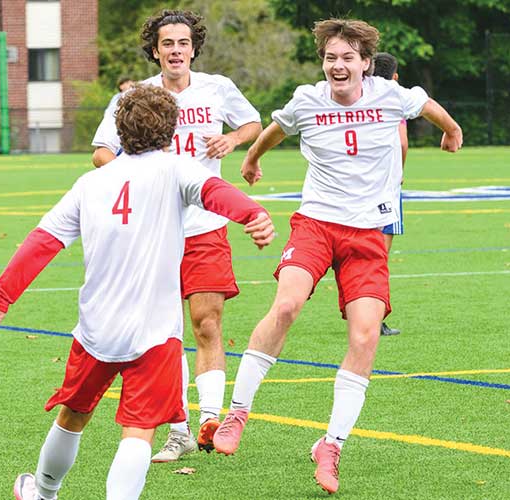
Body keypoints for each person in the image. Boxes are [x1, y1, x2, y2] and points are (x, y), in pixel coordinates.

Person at [0, 84, 274, 500]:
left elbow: (41, 242)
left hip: (97, 330)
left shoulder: (91, 182)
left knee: (73, 416)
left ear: (119, 129)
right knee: (138, 432)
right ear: (170, 131)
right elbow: (217, 194)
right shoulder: (177, 169)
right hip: (155, 333)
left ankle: (43, 493)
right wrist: (254, 215)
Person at [211, 18, 462, 494]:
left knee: (366, 335)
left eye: (348, 58)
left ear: (366, 65)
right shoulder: (307, 100)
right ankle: (237, 413)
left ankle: (331, 445)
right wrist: (251, 159)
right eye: (331, 57)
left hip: (368, 233)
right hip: (316, 224)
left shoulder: (390, 96)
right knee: (286, 305)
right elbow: (275, 128)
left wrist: (451, 130)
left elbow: (427, 106)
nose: (338, 65)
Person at [91, 9, 263, 462]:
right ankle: (179, 430)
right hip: (155, 232)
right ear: (155, 50)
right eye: (167, 44)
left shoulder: (217, 88)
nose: (175, 51)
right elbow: (102, 152)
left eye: (183, 43)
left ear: (193, 48)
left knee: (207, 321)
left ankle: (210, 418)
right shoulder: (136, 97)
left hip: (206, 225)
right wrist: (141, 169)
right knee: (164, 333)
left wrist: (232, 140)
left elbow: (252, 124)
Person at [370, 51, 406, 337]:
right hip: (387, 189)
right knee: (379, 256)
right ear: (395, 76)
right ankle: (373, 317)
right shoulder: (393, 96)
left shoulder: (362, 97)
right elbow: (402, 142)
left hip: (362, 186)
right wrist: (400, 171)